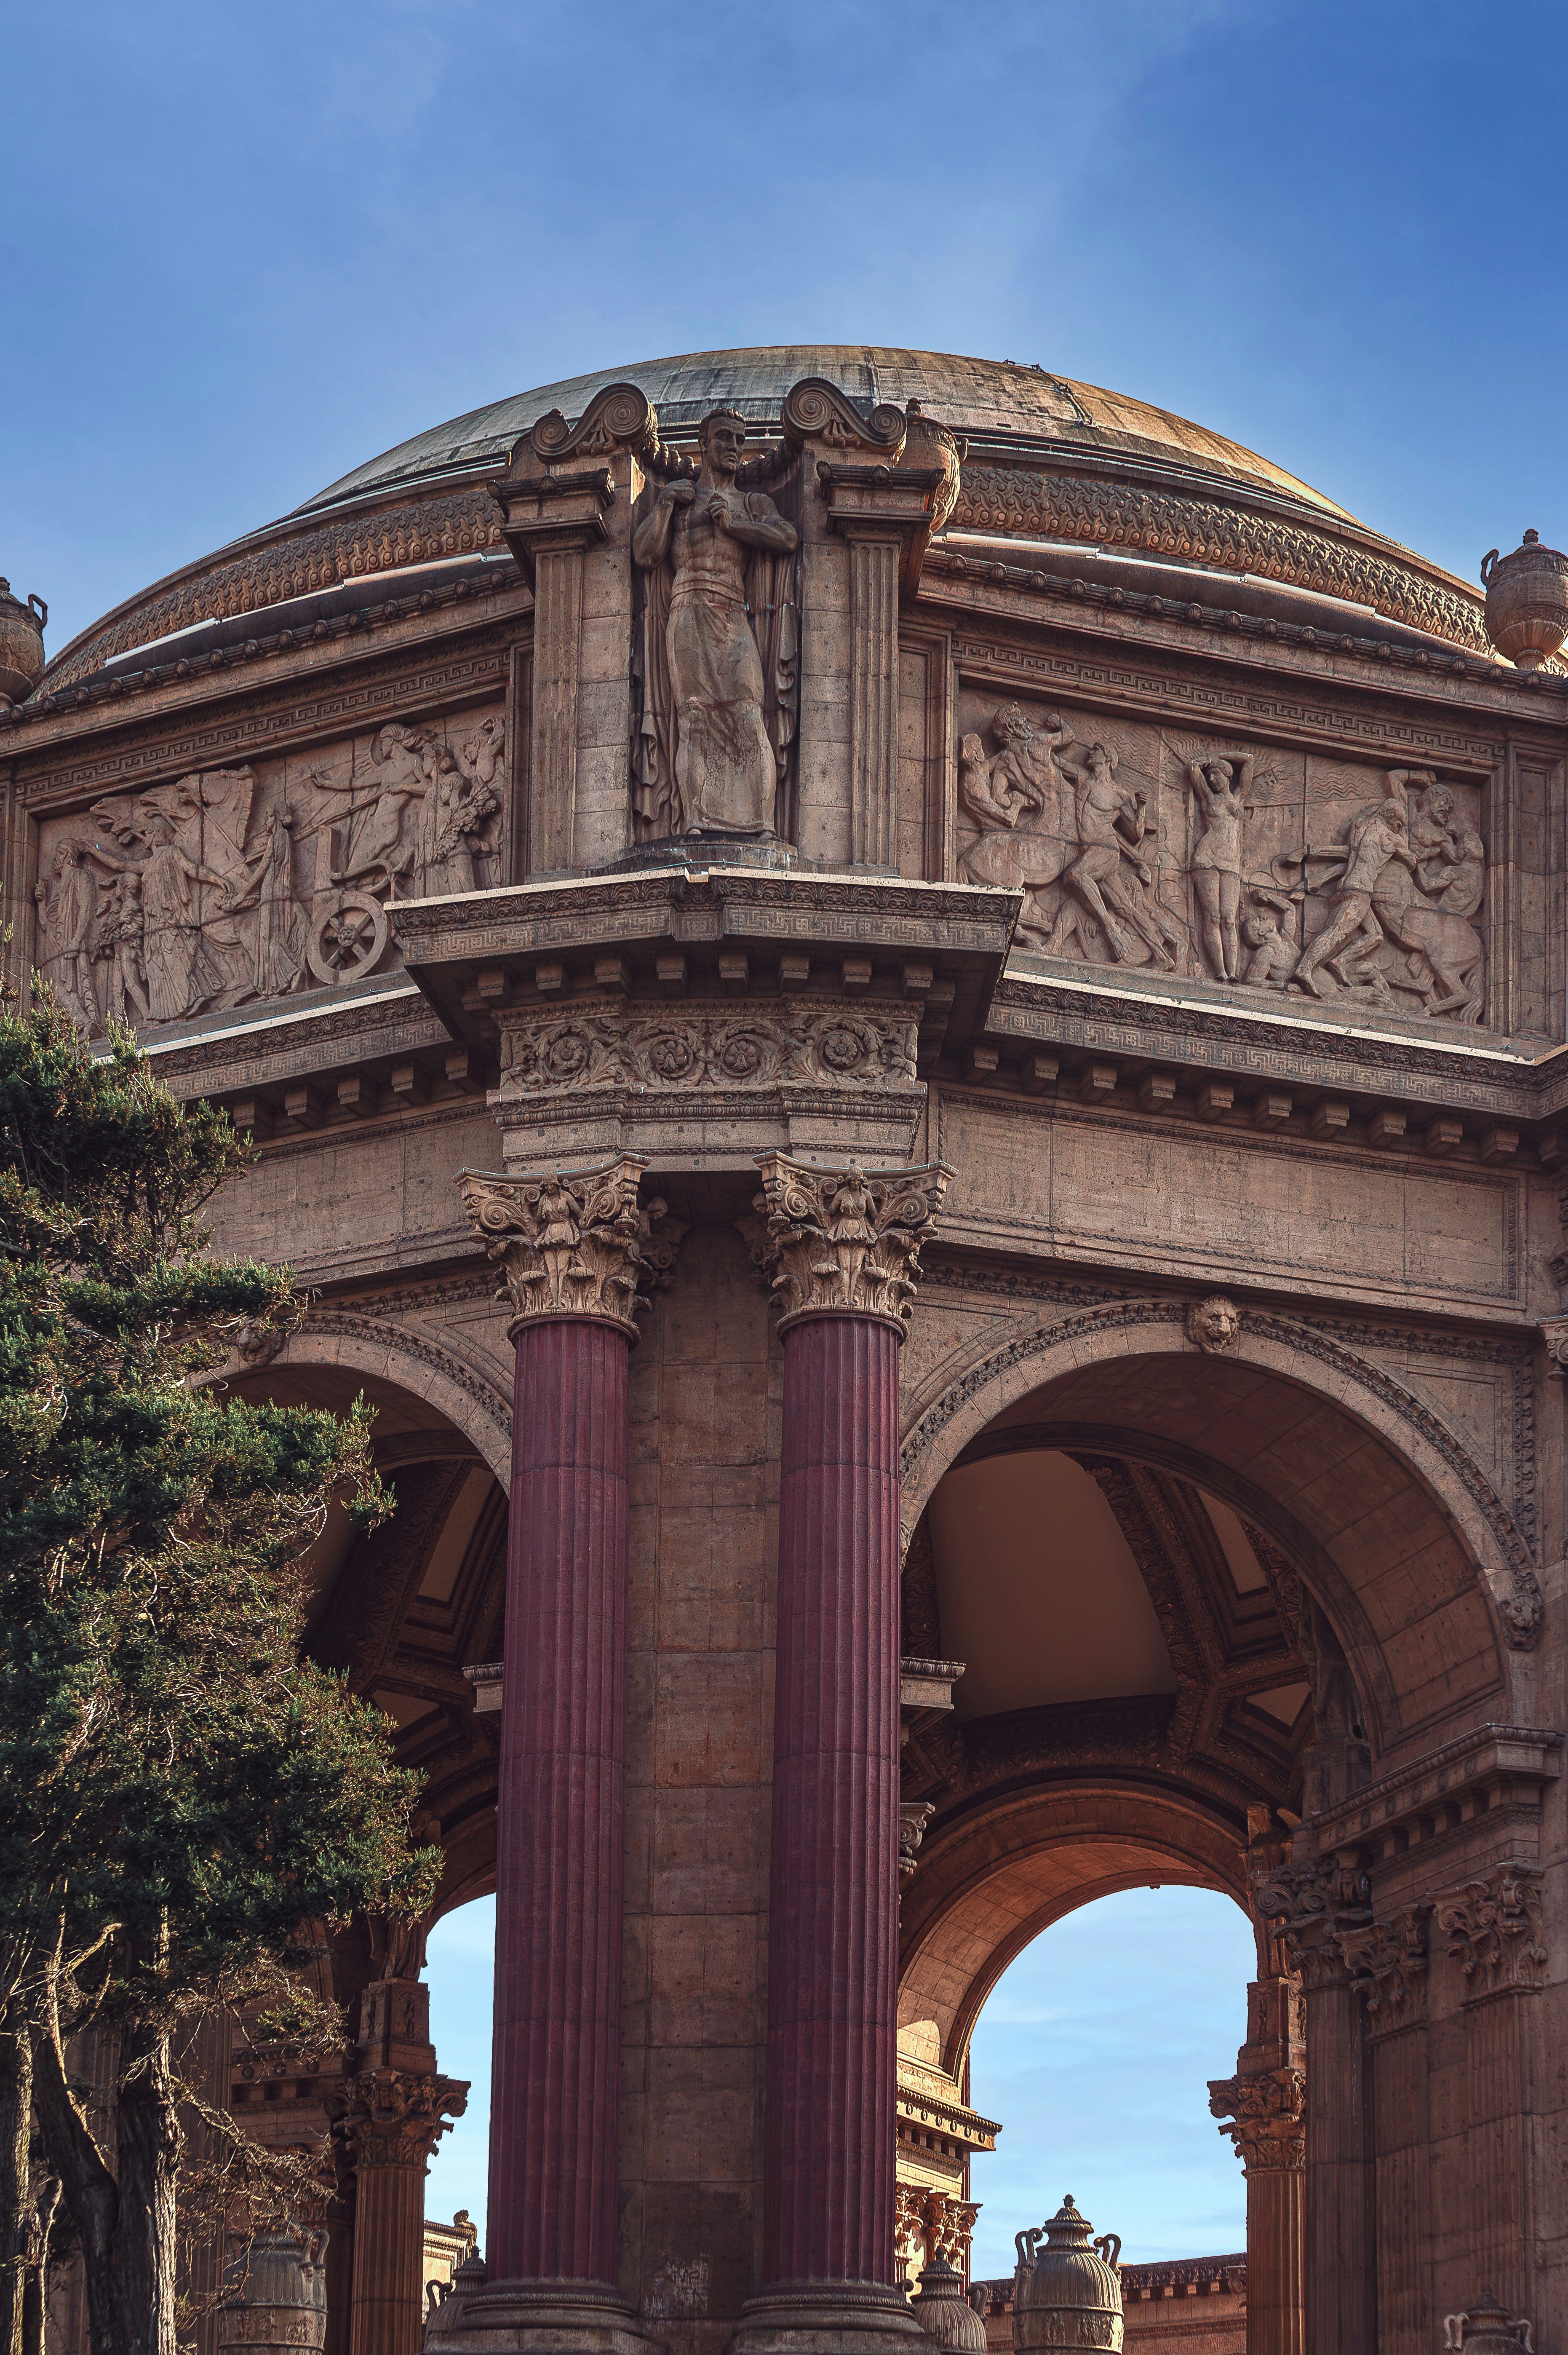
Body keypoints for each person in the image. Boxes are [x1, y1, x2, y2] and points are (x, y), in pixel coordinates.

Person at [632, 408, 799, 834]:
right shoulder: (680, 500)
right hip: (687, 612)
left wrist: (737, 524)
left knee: (748, 713)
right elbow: (646, 554)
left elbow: (788, 538)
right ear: (703, 443)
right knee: (695, 717)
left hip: (733, 612)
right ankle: (696, 820)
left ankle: (760, 823)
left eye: (741, 441)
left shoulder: (752, 503)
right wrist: (666, 505)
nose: (734, 448)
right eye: (725, 438)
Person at [1047, 742, 1183, 969]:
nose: (1091, 752)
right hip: (1089, 850)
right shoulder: (1083, 777)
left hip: (1107, 850)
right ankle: (1162, 956)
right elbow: (1055, 761)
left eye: (1097, 750)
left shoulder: (1119, 795)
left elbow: (1135, 833)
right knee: (1125, 908)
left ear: (1109, 759)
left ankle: (1110, 928)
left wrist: (1141, 808)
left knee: (1075, 875)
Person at [1291, 797, 1416, 998]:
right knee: (1337, 932)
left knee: (1375, 935)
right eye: (1398, 824)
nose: (1398, 828)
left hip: (1345, 885)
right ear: (1392, 818)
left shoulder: (1360, 825)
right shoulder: (1392, 839)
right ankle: (1304, 969)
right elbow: (1412, 862)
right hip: (1362, 891)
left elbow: (1349, 852)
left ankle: (1340, 962)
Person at [1185, 752, 1253, 979]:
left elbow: (1249, 761)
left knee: (1228, 918)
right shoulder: (1208, 799)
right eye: (1210, 776)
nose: (1212, 780)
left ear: (1227, 775)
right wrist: (1203, 763)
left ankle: (1233, 972)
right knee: (1213, 916)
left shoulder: (1238, 798)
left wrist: (1218, 757)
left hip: (1231, 862)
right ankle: (1221, 972)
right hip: (1207, 858)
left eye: (1216, 775)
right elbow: (1194, 768)